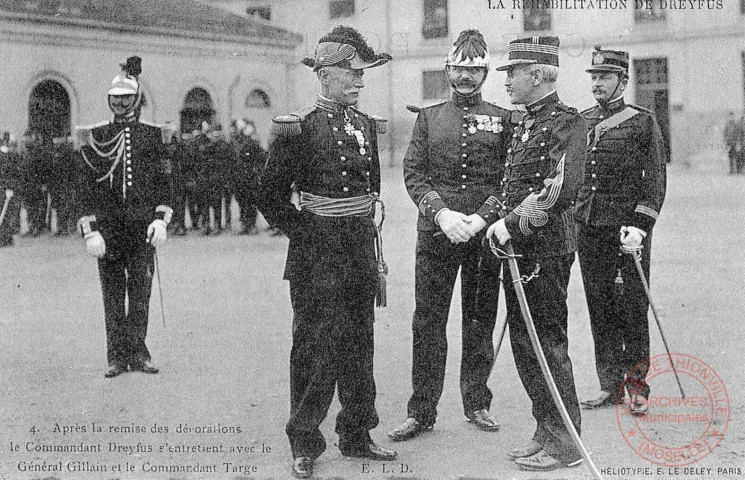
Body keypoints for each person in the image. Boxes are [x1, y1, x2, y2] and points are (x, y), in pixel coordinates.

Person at [258, 25, 396, 479]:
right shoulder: (298, 128)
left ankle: (357, 433)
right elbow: (269, 195)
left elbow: (370, 186)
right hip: (316, 252)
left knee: (360, 343)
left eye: (361, 74)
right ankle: (304, 441)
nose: (360, 81)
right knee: (314, 345)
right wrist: (305, 229)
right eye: (352, 73)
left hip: (358, 247)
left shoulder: (364, 125)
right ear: (326, 74)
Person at [388, 29, 511, 443]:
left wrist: (480, 219)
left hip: (482, 237)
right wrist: (441, 215)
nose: (465, 77)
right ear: (447, 69)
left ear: (486, 73)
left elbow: (507, 181)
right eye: (459, 68)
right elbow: (413, 174)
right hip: (436, 236)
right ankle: (421, 411)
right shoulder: (428, 117)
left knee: (478, 322)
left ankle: (477, 402)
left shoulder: (503, 118)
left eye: (473, 70)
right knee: (428, 323)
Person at [487, 36, 587, 471]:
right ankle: (545, 427)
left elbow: (559, 191)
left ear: (537, 75)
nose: (507, 81)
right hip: (519, 251)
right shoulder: (525, 122)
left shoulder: (567, 122)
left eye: (512, 73)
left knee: (547, 344)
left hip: (545, 249)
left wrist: (508, 225)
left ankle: (566, 443)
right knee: (526, 345)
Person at [574, 46, 667, 415]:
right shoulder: (582, 121)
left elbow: (655, 180)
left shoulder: (642, 121)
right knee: (599, 305)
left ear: (622, 81)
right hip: (590, 225)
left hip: (628, 229)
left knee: (632, 307)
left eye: (604, 77)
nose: (597, 83)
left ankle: (638, 386)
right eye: (594, 77)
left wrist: (641, 227)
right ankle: (609, 385)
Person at [76, 56, 173, 378]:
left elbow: (165, 183)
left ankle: (139, 354)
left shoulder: (152, 135)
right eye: (115, 98)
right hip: (109, 231)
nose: (119, 103)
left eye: (126, 98)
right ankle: (116, 357)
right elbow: (84, 187)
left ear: (136, 99)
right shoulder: (96, 137)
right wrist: (90, 230)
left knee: (141, 294)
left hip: (142, 229)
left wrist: (161, 219)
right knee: (114, 296)